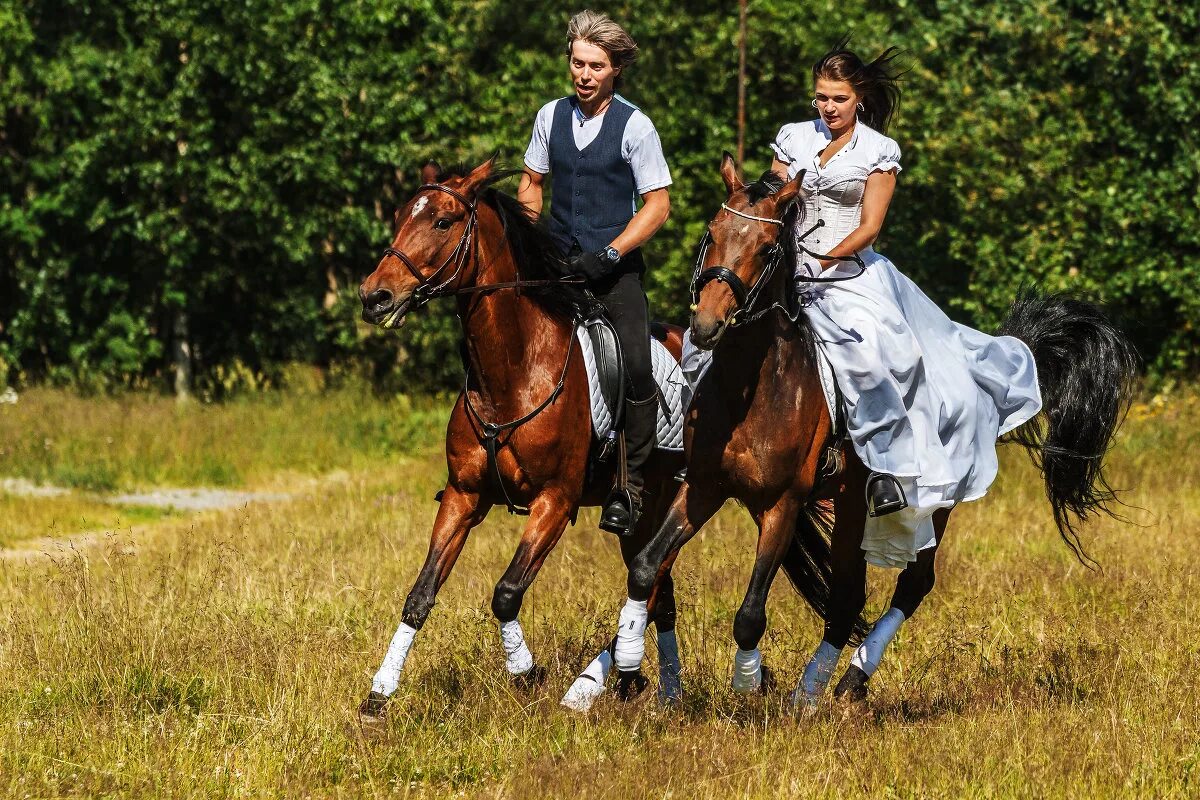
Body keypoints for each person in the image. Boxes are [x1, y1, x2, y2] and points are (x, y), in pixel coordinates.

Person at [769, 39, 1042, 568]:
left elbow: (870, 225)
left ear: (860, 99)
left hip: (848, 274)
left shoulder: (878, 150)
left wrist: (823, 259)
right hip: (783, 270)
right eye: (820, 98)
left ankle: (889, 472)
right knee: (712, 335)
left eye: (837, 99)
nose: (826, 108)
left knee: (876, 350)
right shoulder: (792, 138)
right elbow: (774, 199)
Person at [518, 10, 672, 536]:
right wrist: (532, 242)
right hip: (557, 268)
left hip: (613, 273)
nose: (584, 75)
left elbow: (657, 205)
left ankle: (629, 487)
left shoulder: (636, 126)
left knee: (635, 364)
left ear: (615, 70)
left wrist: (609, 254)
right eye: (578, 63)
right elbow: (531, 184)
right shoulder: (548, 116)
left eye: (596, 66)